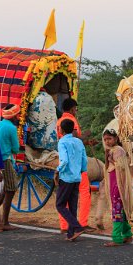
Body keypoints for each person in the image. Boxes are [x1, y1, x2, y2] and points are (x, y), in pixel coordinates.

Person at [56, 98, 92, 231]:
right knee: (83, 193)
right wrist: (87, 135)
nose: (76, 111)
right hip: (75, 167)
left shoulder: (59, 121)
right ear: (72, 109)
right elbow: (75, 138)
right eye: (76, 109)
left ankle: (66, 226)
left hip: (65, 167)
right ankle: (81, 223)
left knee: (64, 199)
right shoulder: (71, 120)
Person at [100, 128, 133, 247]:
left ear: (116, 138)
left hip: (118, 184)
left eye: (109, 139)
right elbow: (108, 166)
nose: (107, 142)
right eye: (105, 139)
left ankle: (117, 238)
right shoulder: (111, 150)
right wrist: (107, 158)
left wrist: (110, 158)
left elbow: (120, 167)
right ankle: (127, 234)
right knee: (120, 210)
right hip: (113, 182)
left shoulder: (119, 150)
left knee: (117, 211)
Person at [0, 104, 22, 231]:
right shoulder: (11, 128)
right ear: (13, 116)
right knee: (10, 190)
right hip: (6, 160)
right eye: (17, 115)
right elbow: (16, 148)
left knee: (5, 190)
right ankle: (4, 221)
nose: (19, 117)